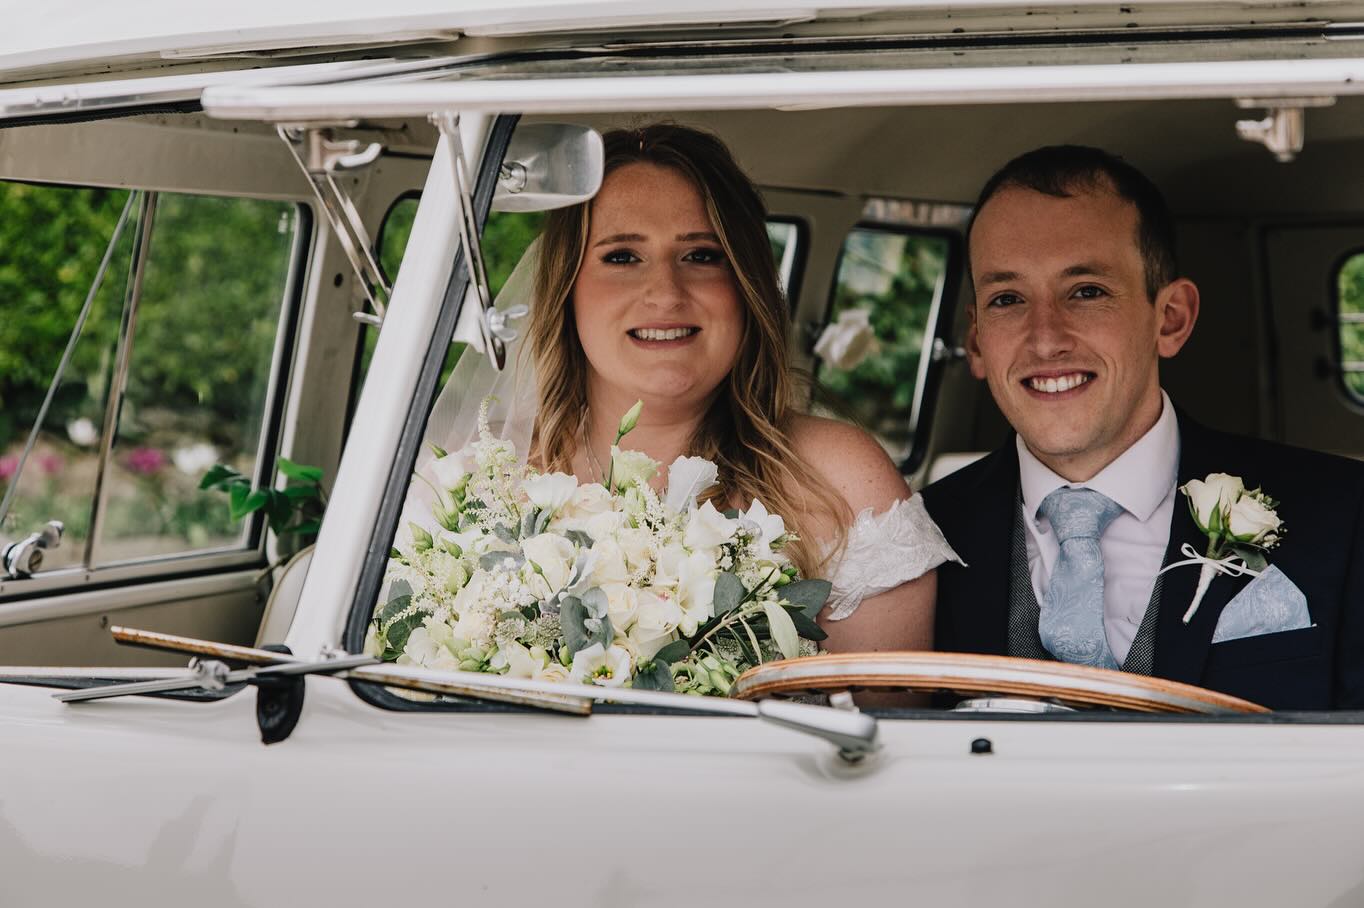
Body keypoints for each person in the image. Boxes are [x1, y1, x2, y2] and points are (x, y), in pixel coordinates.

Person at [446, 123, 959, 652]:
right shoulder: (478, 484)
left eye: (702, 255)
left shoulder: (845, 488)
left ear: (746, 284)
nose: (665, 294)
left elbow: (886, 723)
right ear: (567, 288)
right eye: (622, 256)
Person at [922, 144, 1364, 710]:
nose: (1046, 338)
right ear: (977, 339)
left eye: (1086, 291)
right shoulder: (925, 538)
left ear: (1171, 319)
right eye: (1007, 299)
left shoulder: (1342, 515)